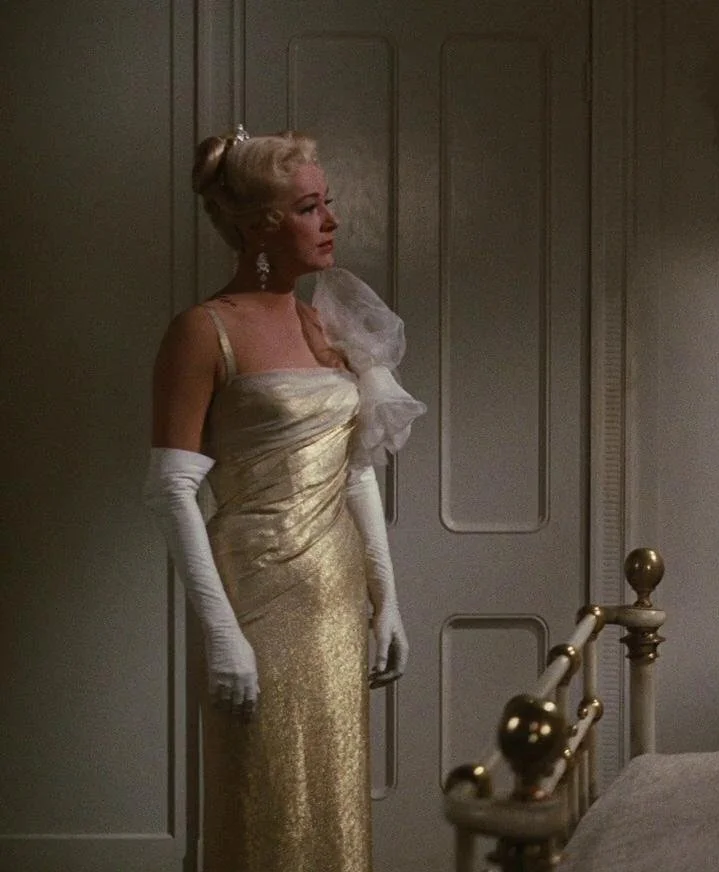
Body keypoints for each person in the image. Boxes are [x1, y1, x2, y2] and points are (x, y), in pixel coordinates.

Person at [142, 126, 423, 870]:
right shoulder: (203, 331)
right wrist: (222, 633)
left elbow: (356, 469)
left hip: (336, 600)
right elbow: (171, 489)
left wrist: (386, 598)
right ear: (260, 226)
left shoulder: (323, 324)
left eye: (326, 203)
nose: (331, 220)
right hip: (257, 598)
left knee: (332, 801)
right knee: (263, 802)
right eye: (308, 208)